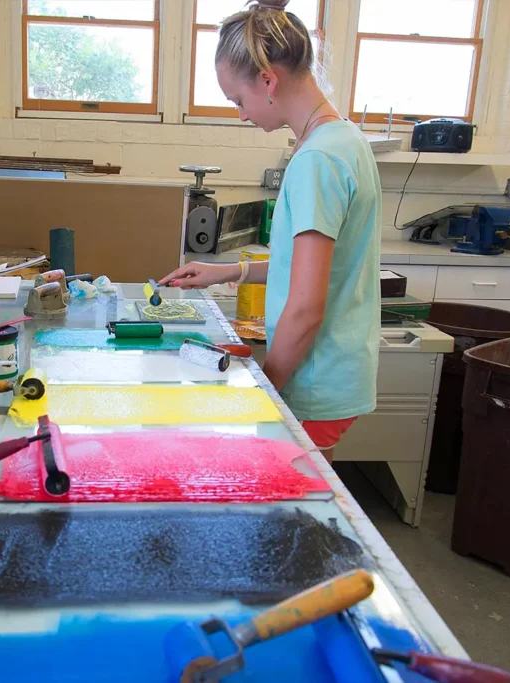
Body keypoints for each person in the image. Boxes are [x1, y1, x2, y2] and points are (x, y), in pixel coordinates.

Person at [160, 0, 381, 462]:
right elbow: (307, 270)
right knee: (305, 500)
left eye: (238, 100)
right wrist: (226, 272)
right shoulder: (344, 140)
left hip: (314, 378)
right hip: (335, 370)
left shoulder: (317, 161)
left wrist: (265, 390)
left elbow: (305, 306)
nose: (241, 114)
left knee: (291, 511)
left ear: (267, 79)